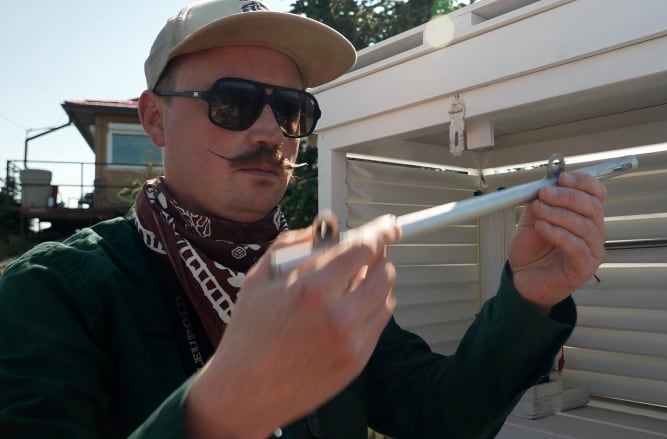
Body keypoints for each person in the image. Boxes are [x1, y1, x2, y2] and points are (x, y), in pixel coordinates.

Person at [0, 0, 607, 438]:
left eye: (292, 110)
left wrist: (529, 297)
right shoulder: (53, 292)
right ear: (154, 119)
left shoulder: (314, 273)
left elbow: (437, 414)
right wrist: (225, 407)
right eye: (231, 102)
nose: (270, 132)